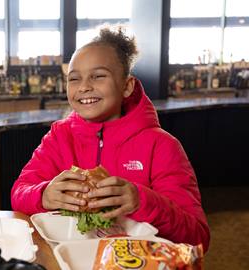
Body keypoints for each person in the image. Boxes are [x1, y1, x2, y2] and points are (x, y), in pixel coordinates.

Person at [11, 25, 210, 252]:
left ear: (127, 86)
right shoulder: (58, 137)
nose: (84, 87)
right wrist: (43, 195)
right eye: (74, 79)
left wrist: (142, 201)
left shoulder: (162, 146)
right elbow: (19, 192)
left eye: (98, 76)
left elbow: (197, 237)